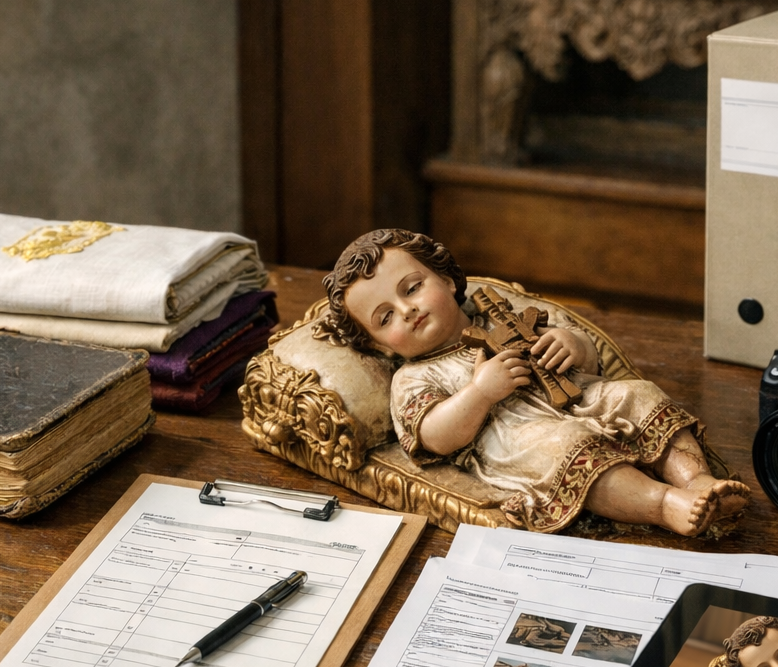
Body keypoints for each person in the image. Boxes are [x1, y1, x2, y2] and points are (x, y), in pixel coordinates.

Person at [314, 228, 749, 536]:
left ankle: (696, 481)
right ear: (381, 347)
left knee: (638, 395)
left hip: (580, 396)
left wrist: (569, 344)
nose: (406, 310)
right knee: (571, 449)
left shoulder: (502, 314)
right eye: (385, 317)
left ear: (445, 280)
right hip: (518, 438)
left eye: (411, 288)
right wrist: (480, 393)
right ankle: (665, 505)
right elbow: (434, 436)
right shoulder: (413, 377)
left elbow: (587, 353)